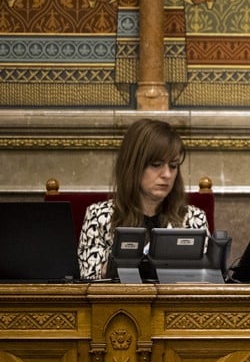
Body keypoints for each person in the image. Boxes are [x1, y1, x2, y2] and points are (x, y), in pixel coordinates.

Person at [78, 119, 210, 280]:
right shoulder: (99, 217)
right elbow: (88, 281)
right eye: (156, 164)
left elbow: (207, 281)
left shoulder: (194, 219)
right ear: (133, 166)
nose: (167, 174)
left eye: (173, 166)